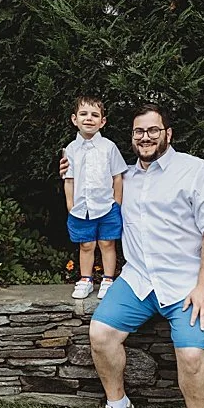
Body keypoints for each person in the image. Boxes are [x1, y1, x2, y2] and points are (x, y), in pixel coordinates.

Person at [82, 104, 204, 408]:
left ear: (168, 134)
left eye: (152, 130)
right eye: (138, 132)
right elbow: (89, 195)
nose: (145, 137)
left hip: (186, 283)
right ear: (131, 138)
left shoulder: (196, 171)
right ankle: (118, 407)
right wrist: (70, 173)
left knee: (193, 357)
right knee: (100, 333)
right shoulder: (126, 178)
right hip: (140, 279)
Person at [61, 96, 127, 300]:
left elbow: (117, 177)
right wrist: (70, 205)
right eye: (83, 114)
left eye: (94, 115)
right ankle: (86, 279)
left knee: (107, 243)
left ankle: (108, 279)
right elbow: (69, 180)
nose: (89, 118)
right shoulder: (70, 149)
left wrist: (117, 203)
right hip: (81, 208)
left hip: (107, 207)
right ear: (74, 119)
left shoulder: (109, 147)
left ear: (102, 121)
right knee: (86, 244)